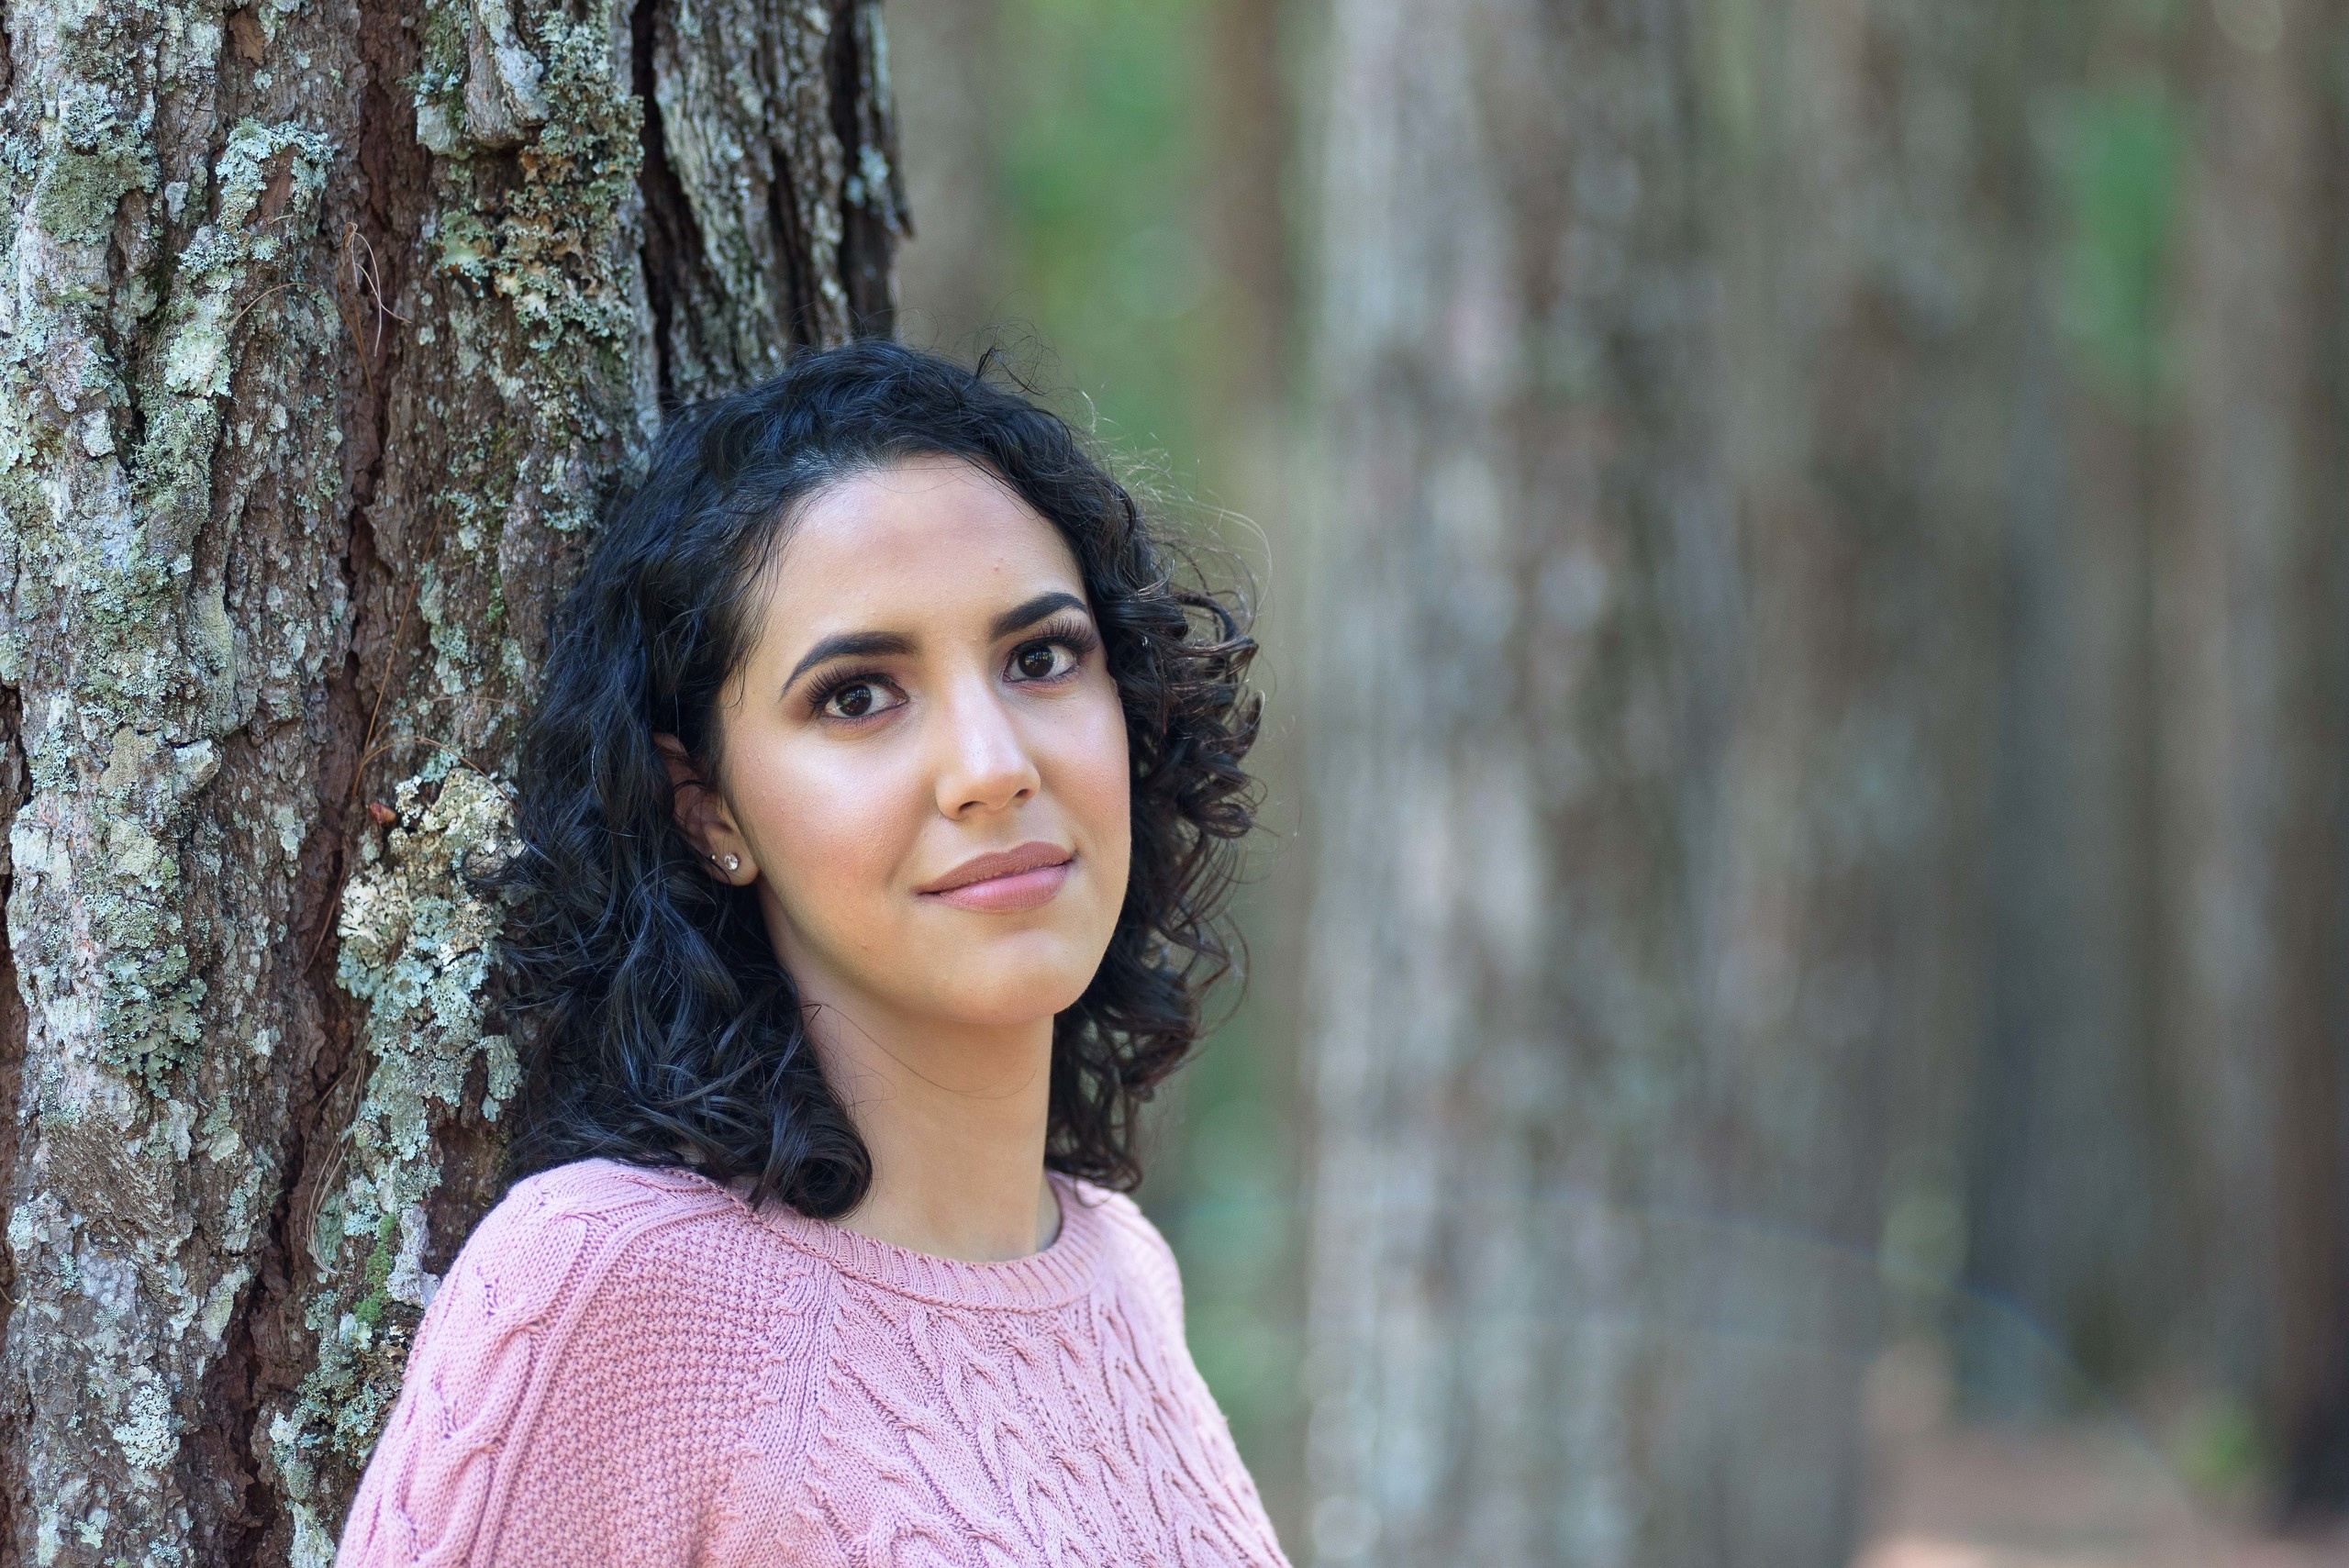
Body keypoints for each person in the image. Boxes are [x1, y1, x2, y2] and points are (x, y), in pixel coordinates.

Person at [333, 340, 1289, 1566]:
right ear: (710, 809)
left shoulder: (1123, 1274)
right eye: (857, 694)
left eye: (1040, 657)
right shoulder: (615, 1286)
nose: (994, 763)